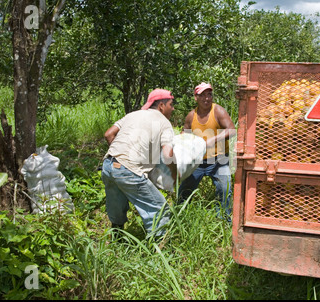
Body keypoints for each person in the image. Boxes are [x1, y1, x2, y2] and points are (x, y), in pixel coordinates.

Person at [101, 88, 176, 238]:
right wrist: (175, 174)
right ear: (161, 105)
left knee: (117, 201)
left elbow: (109, 134)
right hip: (128, 170)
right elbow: (168, 155)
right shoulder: (164, 122)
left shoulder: (132, 115)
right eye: (171, 104)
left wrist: (121, 158)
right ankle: (160, 247)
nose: (172, 109)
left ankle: (117, 239)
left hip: (108, 165)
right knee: (160, 209)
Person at [178, 82, 236, 220]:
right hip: (197, 161)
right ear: (195, 97)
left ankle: (223, 221)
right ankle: (179, 219)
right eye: (202, 95)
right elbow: (184, 135)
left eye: (209, 94)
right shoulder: (191, 116)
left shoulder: (218, 111)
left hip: (219, 159)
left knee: (224, 189)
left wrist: (214, 139)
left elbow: (232, 130)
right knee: (184, 191)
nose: (206, 98)